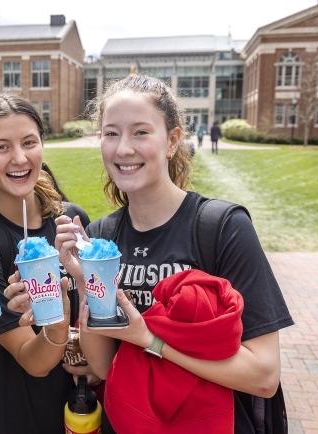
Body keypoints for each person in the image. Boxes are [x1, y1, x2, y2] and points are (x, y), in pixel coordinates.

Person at [51, 75, 293, 433]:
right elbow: (104, 368)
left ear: (173, 141)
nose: (123, 149)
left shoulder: (221, 227)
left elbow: (264, 375)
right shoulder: (102, 237)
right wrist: (86, 283)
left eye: (141, 132)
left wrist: (149, 341)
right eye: (111, 133)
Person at [0, 93, 95, 434]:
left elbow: (93, 312)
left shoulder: (71, 220)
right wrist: (57, 325)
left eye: (29, 142)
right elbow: (33, 362)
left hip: (74, 410)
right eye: (2, 147)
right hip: (9, 415)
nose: (19, 158)